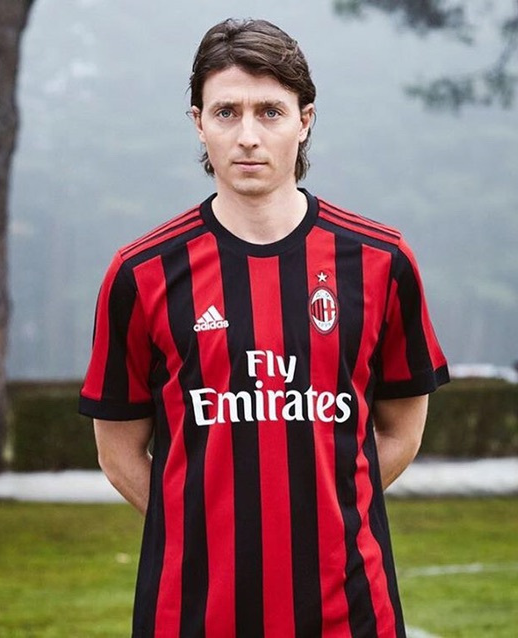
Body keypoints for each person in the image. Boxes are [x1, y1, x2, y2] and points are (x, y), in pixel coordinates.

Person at [79, 17, 449, 638]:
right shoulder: (140, 274)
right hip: (192, 611)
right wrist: (205, 530)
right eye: (226, 112)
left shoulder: (382, 262)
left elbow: (401, 432)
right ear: (198, 122)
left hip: (349, 610)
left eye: (270, 112)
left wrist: (320, 520)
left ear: (304, 119)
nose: (248, 136)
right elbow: (118, 454)